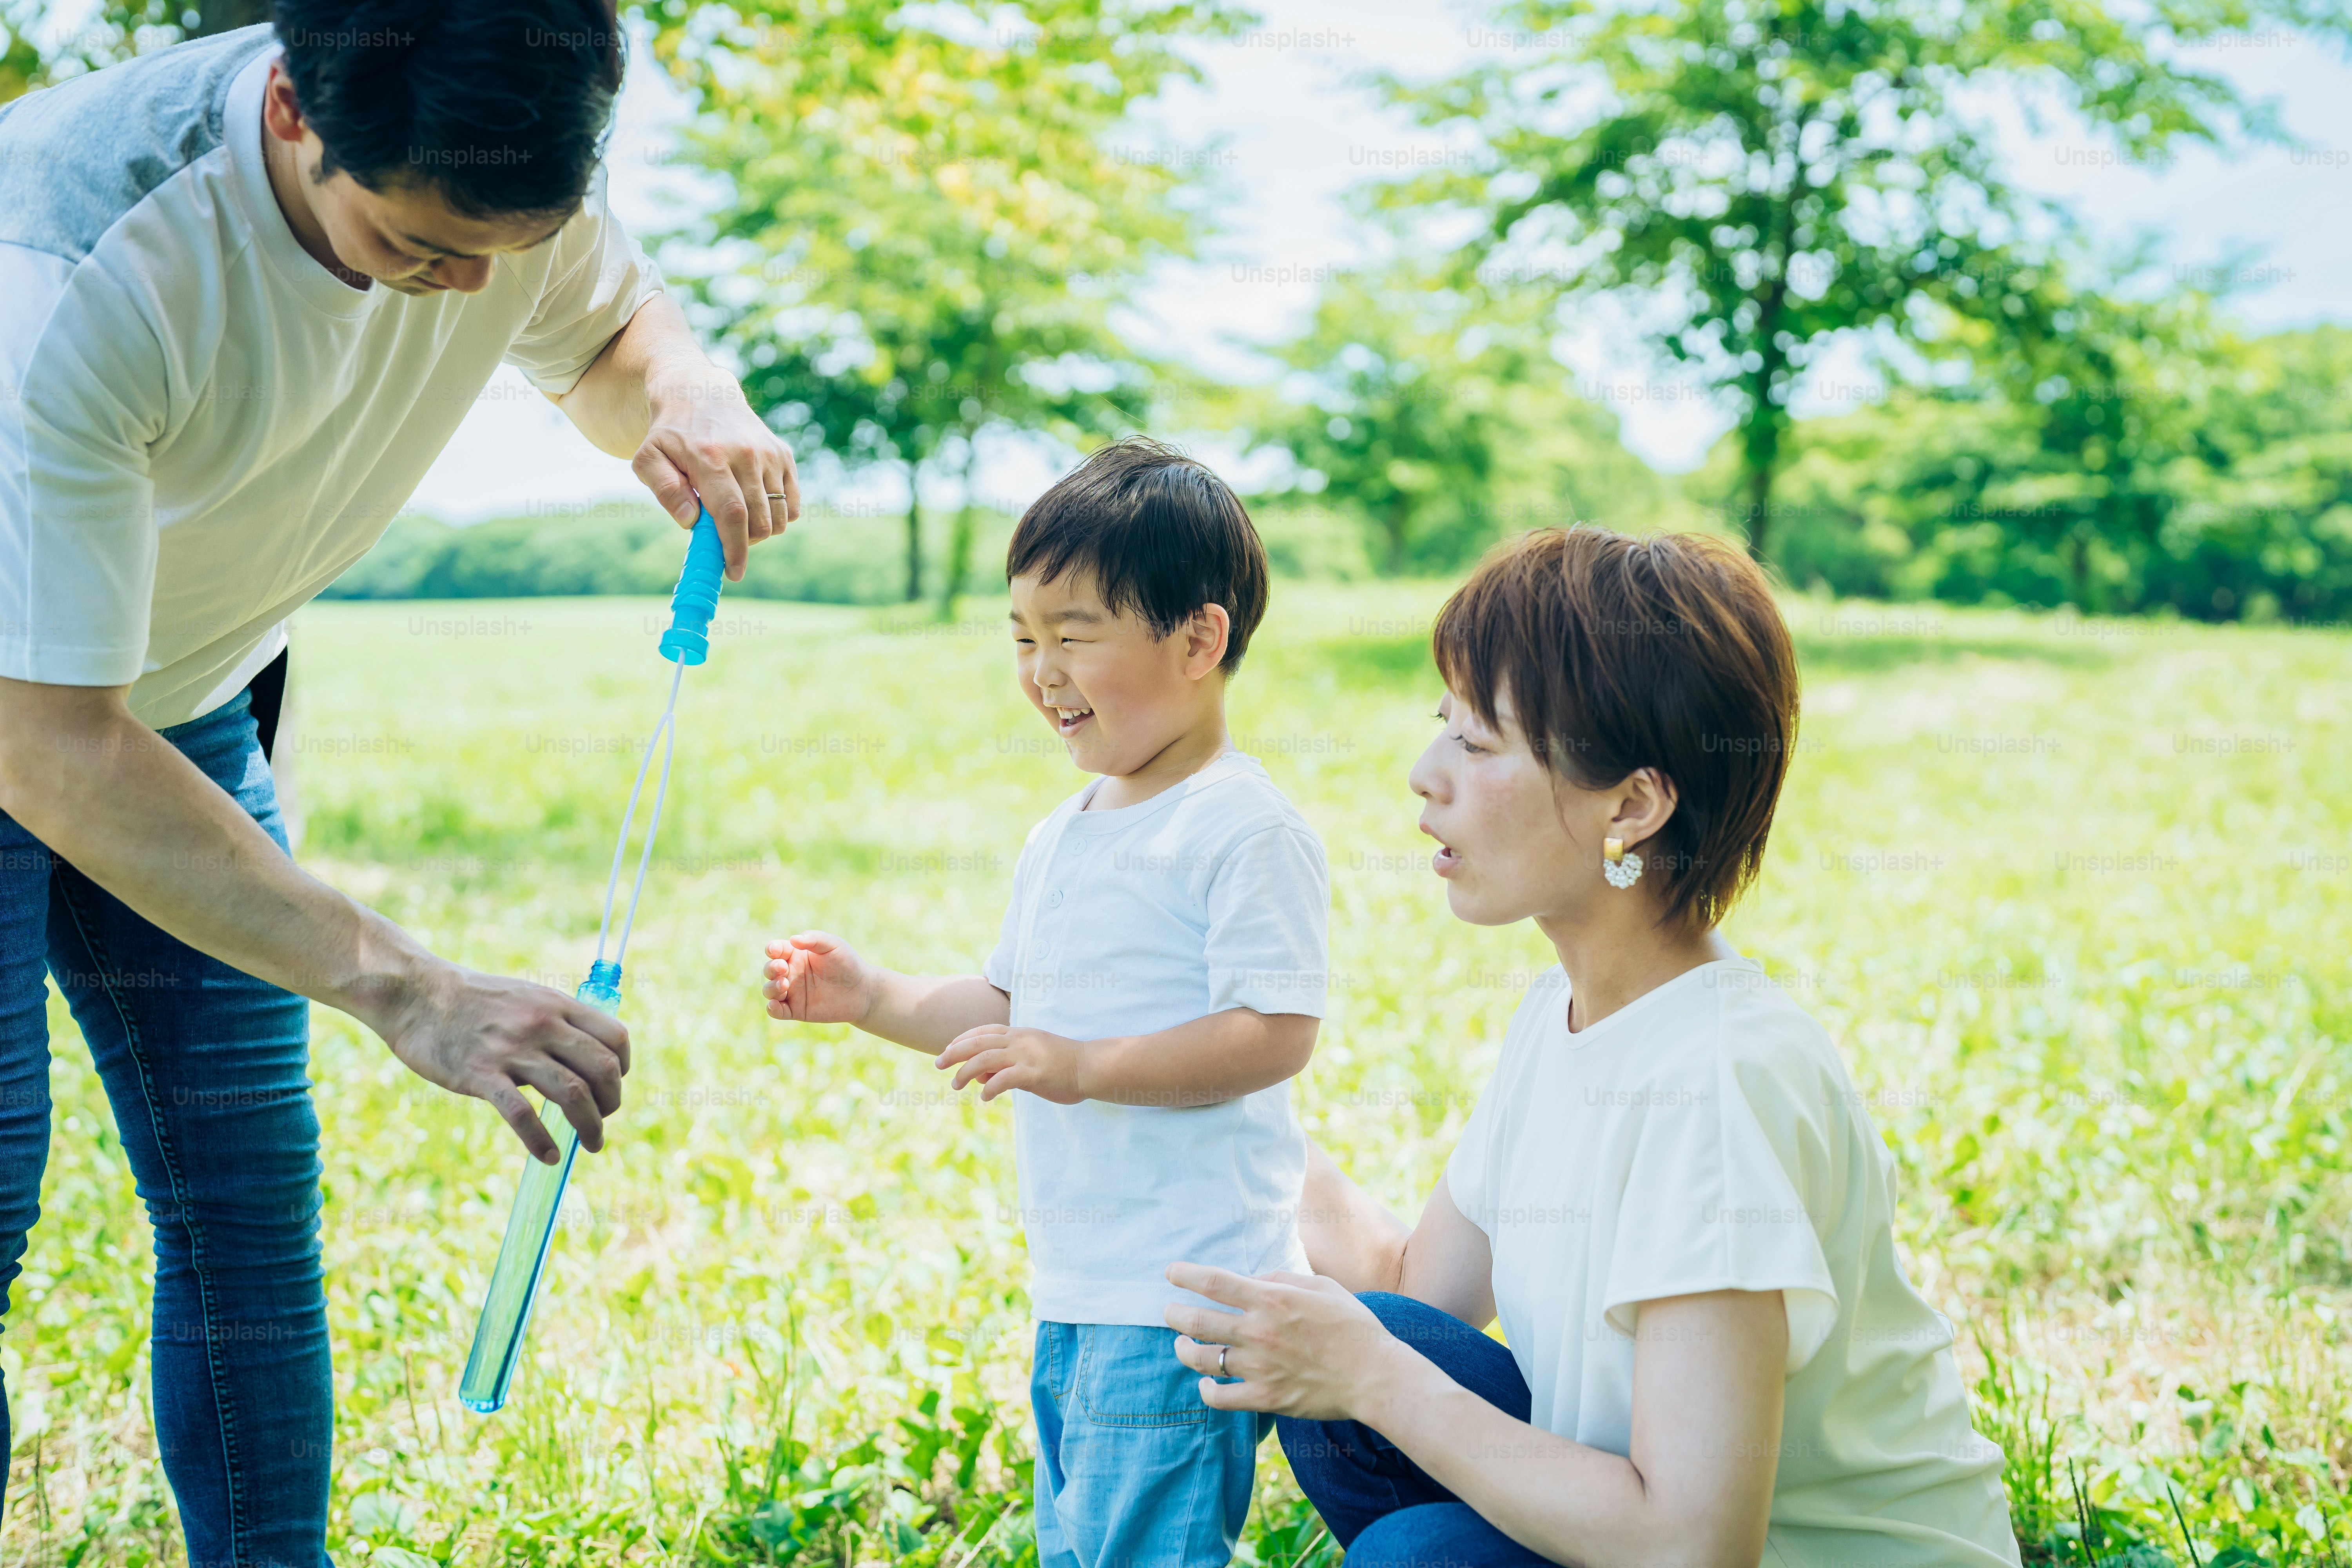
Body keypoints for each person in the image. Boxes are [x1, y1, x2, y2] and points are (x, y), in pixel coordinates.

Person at [0, 2, 797, 1556]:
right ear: (291, 112)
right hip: (36, 707)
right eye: (422, 250)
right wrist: (412, 988)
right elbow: (50, 747)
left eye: (511, 246)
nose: (473, 293)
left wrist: (685, 380)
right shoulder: (72, 270)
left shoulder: (490, 142)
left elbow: (606, 330)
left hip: (172, 692)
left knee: (244, 1199)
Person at [1158, 527, 2024, 1568]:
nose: (1424, 775)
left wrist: (1375, 1377)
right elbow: (1416, 1286)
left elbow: (1696, 1546)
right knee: (1366, 1348)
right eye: (1443, 729)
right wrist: (1210, 1103)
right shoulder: (1564, 1013)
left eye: (1478, 745)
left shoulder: (1716, 1085)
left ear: (1633, 805)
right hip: (1651, 1523)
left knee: (1416, 1534)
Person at [760, 439, 1328, 1568]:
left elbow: (1273, 1034)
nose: (1043, 671)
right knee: (1077, 1542)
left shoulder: (1241, 828)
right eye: (1024, 638)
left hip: (1187, 1290)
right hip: (1081, 1285)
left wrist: (1086, 1067)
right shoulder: (1064, 833)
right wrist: (871, 996)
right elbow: (1009, 1010)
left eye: (1075, 635)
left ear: (1199, 642)